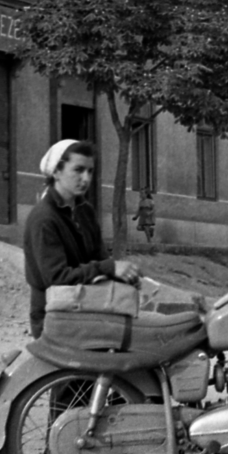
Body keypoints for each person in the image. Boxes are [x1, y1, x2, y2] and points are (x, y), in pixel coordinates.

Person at [23, 139, 142, 340]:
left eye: (90, 171)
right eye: (78, 170)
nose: (86, 178)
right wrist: (107, 268)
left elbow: (99, 256)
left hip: (84, 306)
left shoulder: (84, 211)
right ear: (56, 172)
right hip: (53, 318)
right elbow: (57, 278)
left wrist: (122, 275)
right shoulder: (44, 218)